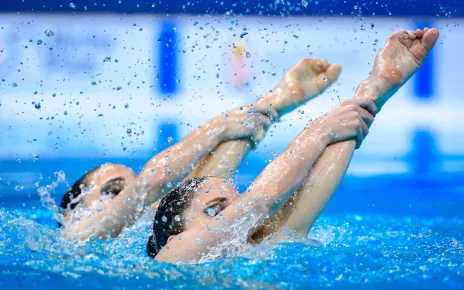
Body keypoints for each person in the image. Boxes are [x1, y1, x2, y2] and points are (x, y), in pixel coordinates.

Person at [148, 28, 440, 263]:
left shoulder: (258, 255)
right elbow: (261, 200)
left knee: (280, 234)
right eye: (214, 211)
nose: (235, 215)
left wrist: (372, 94)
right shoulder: (172, 257)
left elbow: (300, 201)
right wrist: (321, 130)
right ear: (175, 237)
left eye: (230, 205)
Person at [59, 55, 343, 243]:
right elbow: (153, 181)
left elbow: (203, 188)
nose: (138, 199)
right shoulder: (77, 234)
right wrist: (217, 128)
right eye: (113, 190)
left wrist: (272, 105)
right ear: (71, 213)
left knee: (198, 195)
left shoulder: (146, 242)